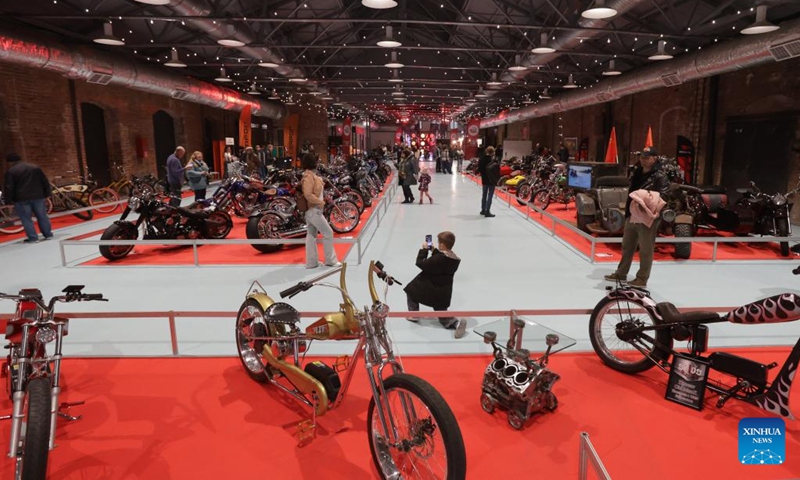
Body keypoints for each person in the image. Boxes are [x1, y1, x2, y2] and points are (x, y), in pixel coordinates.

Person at [604, 147, 670, 288]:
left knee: (645, 249)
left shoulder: (660, 176)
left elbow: (664, 196)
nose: (643, 159)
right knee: (627, 246)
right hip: (632, 215)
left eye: (647, 157)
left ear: (655, 158)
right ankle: (621, 273)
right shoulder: (636, 172)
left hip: (647, 218)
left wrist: (646, 200)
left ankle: (642, 278)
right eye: (642, 157)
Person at [404, 231, 466, 339]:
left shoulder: (439, 259)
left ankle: (414, 314)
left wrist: (424, 250)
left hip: (432, 288)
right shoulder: (453, 259)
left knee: (411, 290)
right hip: (444, 290)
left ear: (442, 245)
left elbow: (421, 263)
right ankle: (455, 323)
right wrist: (433, 250)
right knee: (442, 313)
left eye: (439, 243)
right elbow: (441, 258)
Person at [300, 153, 340, 269]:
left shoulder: (310, 175)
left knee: (311, 235)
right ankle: (330, 260)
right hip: (314, 210)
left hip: (313, 210)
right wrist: (320, 202)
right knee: (328, 233)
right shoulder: (308, 176)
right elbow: (308, 194)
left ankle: (312, 262)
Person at [3, 153, 52, 243]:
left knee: (26, 219)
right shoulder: (35, 167)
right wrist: (47, 193)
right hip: (38, 196)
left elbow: (9, 187)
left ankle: (33, 238)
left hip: (21, 198)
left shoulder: (10, 171)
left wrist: (8, 201)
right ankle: (48, 234)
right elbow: (44, 180)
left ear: (10, 162)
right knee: (42, 216)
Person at [478, 146, 500, 217]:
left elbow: (479, 169)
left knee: (484, 194)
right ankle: (487, 211)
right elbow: (497, 170)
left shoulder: (482, 159)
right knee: (490, 195)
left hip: (484, 179)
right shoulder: (493, 160)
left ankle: (483, 210)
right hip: (491, 180)